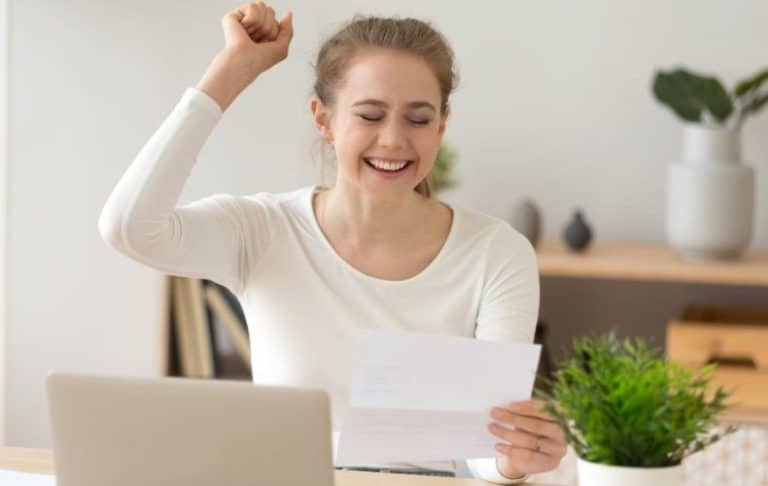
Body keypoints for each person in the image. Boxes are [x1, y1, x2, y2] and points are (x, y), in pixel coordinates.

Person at [98, 2, 567, 483]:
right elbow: (129, 228)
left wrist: (513, 458)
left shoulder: (497, 254)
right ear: (323, 120)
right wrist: (231, 71)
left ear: (442, 125)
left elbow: (484, 448)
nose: (393, 139)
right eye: (370, 115)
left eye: (419, 119)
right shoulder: (263, 229)